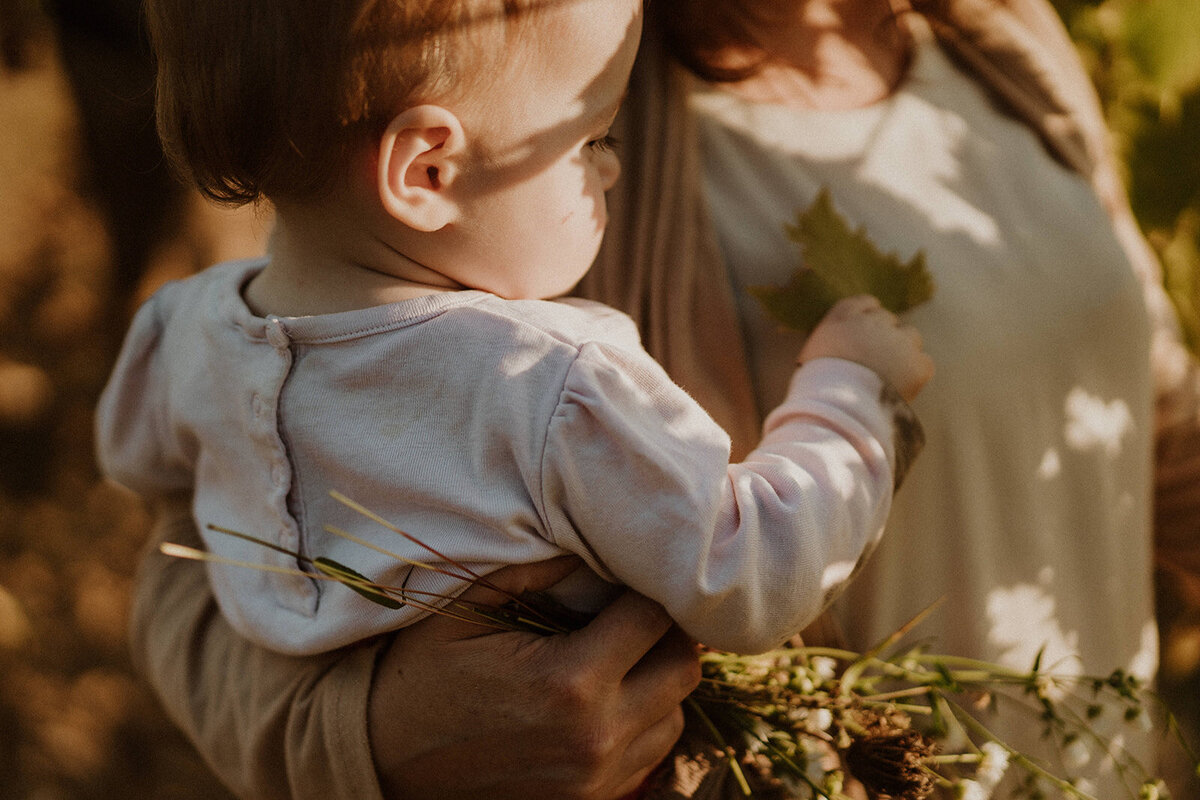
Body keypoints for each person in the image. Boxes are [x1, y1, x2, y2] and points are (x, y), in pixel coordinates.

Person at [123, 0, 1200, 796]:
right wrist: (370, 734)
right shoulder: (529, 107)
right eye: (595, 146)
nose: (610, 168)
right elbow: (189, 555)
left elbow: (1141, 409)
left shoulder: (996, 36)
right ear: (430, 172)